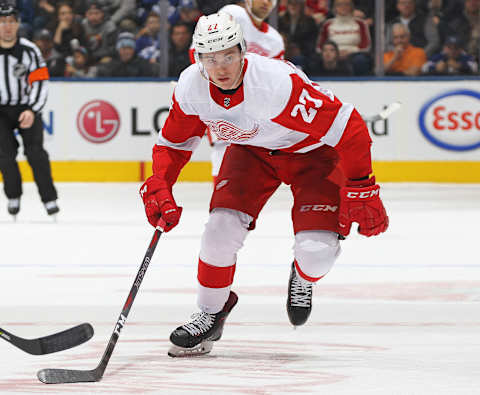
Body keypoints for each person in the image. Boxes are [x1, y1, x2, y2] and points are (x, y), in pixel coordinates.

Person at [139, 11, 388, 357]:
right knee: (218, 232)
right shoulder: (191, 85)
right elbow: (175, 143)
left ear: (243, 51)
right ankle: (211, 311)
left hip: (312, 154)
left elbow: (349, 126)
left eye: (228, 55)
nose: (221, 67)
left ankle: (302, 276)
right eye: (210, 59)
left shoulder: (275, 85)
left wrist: (362, 186)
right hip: (252, 152)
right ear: (197, 59)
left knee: (315, 255)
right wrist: (159, 184)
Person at [200, 0, 285, 184]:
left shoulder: (274, 40)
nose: (266, 3)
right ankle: (221, 206)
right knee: (223, 146)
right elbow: (201, 48)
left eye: (271, 0)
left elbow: (276, 77)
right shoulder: (233, 14)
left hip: (253, 102)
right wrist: (207, 82)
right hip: (222, 93)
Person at [0, 3, 59, 218]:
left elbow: (41, 82)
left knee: (36, 153)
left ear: (17, 24)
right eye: (3, 22)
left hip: (27, 107)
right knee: (4, 155)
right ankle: (13, 196)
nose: (7, 26)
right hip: (1, 111)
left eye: (11, 22)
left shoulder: (30, 50)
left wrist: (32, 109)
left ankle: (49, 199)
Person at [316, 0, 372, 75]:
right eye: (339, 4)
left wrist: (349, 52)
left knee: (360, 60)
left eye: (347, 4)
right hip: (332, 55)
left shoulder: (361, 23)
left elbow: (366, 46)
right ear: (334, 7)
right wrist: (335, 53)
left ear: (352, 7)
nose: (343, 7)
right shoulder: (327, 24)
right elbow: (319, 47)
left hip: (354, 55)